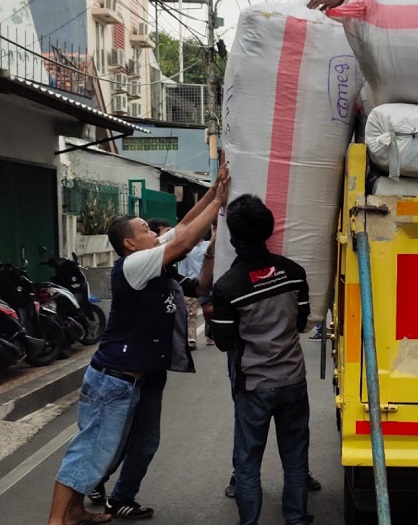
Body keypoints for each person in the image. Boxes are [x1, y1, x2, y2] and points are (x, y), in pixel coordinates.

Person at [47, 168, 229, 525]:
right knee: (90, 451)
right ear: (130, 243)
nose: (155, 232)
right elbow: (184, 241)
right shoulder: (135, 263)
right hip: (115, 379)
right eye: (145, 229)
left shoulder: (149, 257)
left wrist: (212, 192)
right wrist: (221, 202)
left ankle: (75, 511)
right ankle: (57, 520)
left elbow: (181, 228)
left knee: (113, 449)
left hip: (140, 376)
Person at [212, 195, 312, 525]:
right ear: (268, 231)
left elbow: (225, 342)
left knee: (248, 461)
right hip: (294, 380)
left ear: (233, 239)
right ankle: (296, 519)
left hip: (254, 385)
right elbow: (300, 324)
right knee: (295, 456)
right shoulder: (294, 273)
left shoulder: (228, 287)